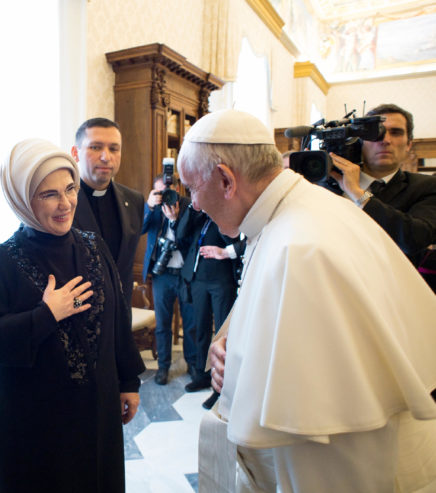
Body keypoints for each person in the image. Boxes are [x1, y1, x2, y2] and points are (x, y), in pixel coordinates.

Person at [179, 109, 436, 492]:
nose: (195, 205)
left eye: (192, 189)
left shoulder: (302, 248)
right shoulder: (294, 213)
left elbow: (330, 449)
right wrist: (232, 348)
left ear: (226, 180)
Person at [0, 139, 145, 493]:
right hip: (34, 424)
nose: (66, 204)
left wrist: (128, 381)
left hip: (96, 413)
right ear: (22, 198)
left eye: (70, 189)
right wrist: (47, 314)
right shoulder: (1, 261)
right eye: (49, 194)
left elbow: (116, 316)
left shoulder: (93, 246)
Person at [328, 103, 436, 284]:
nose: (385, 140)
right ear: (360, 141)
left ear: (409, 144)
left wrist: (358, 194)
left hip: (393, 290)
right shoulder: (327, 186)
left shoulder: (426, 187)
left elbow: (414, 238)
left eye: (396, 132)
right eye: (375, 133)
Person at [71, 118, 144, 306]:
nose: (106, 157)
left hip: (121, 312)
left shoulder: (134, 200)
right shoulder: (62, 202)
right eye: (95, 147)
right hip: (78, 312)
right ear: (75, 153)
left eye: (114, 149)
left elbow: (125, 267)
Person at [141, 174, 197, 385]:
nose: (164, 196)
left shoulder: (188, 206)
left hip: (185, 274)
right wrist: (149, 206)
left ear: (177, 189)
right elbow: (139, 228)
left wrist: (174, 221)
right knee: (162, 323)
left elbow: (191, 240)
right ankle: (163, 367)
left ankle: (192, 364)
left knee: (190, 322)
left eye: (168, 191)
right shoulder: (153, 207)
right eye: (159, 192)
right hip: (161, 274)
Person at [179, 212, 239, 393]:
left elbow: (233, 240)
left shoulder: (227, 215)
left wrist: (216, 214)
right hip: (198, 280)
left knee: (222, 332)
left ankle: (220, 386)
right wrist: (194, 209)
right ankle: (201, 375)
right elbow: (181, 234)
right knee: (200, 329)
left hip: (222, 281)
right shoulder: (198, 217)